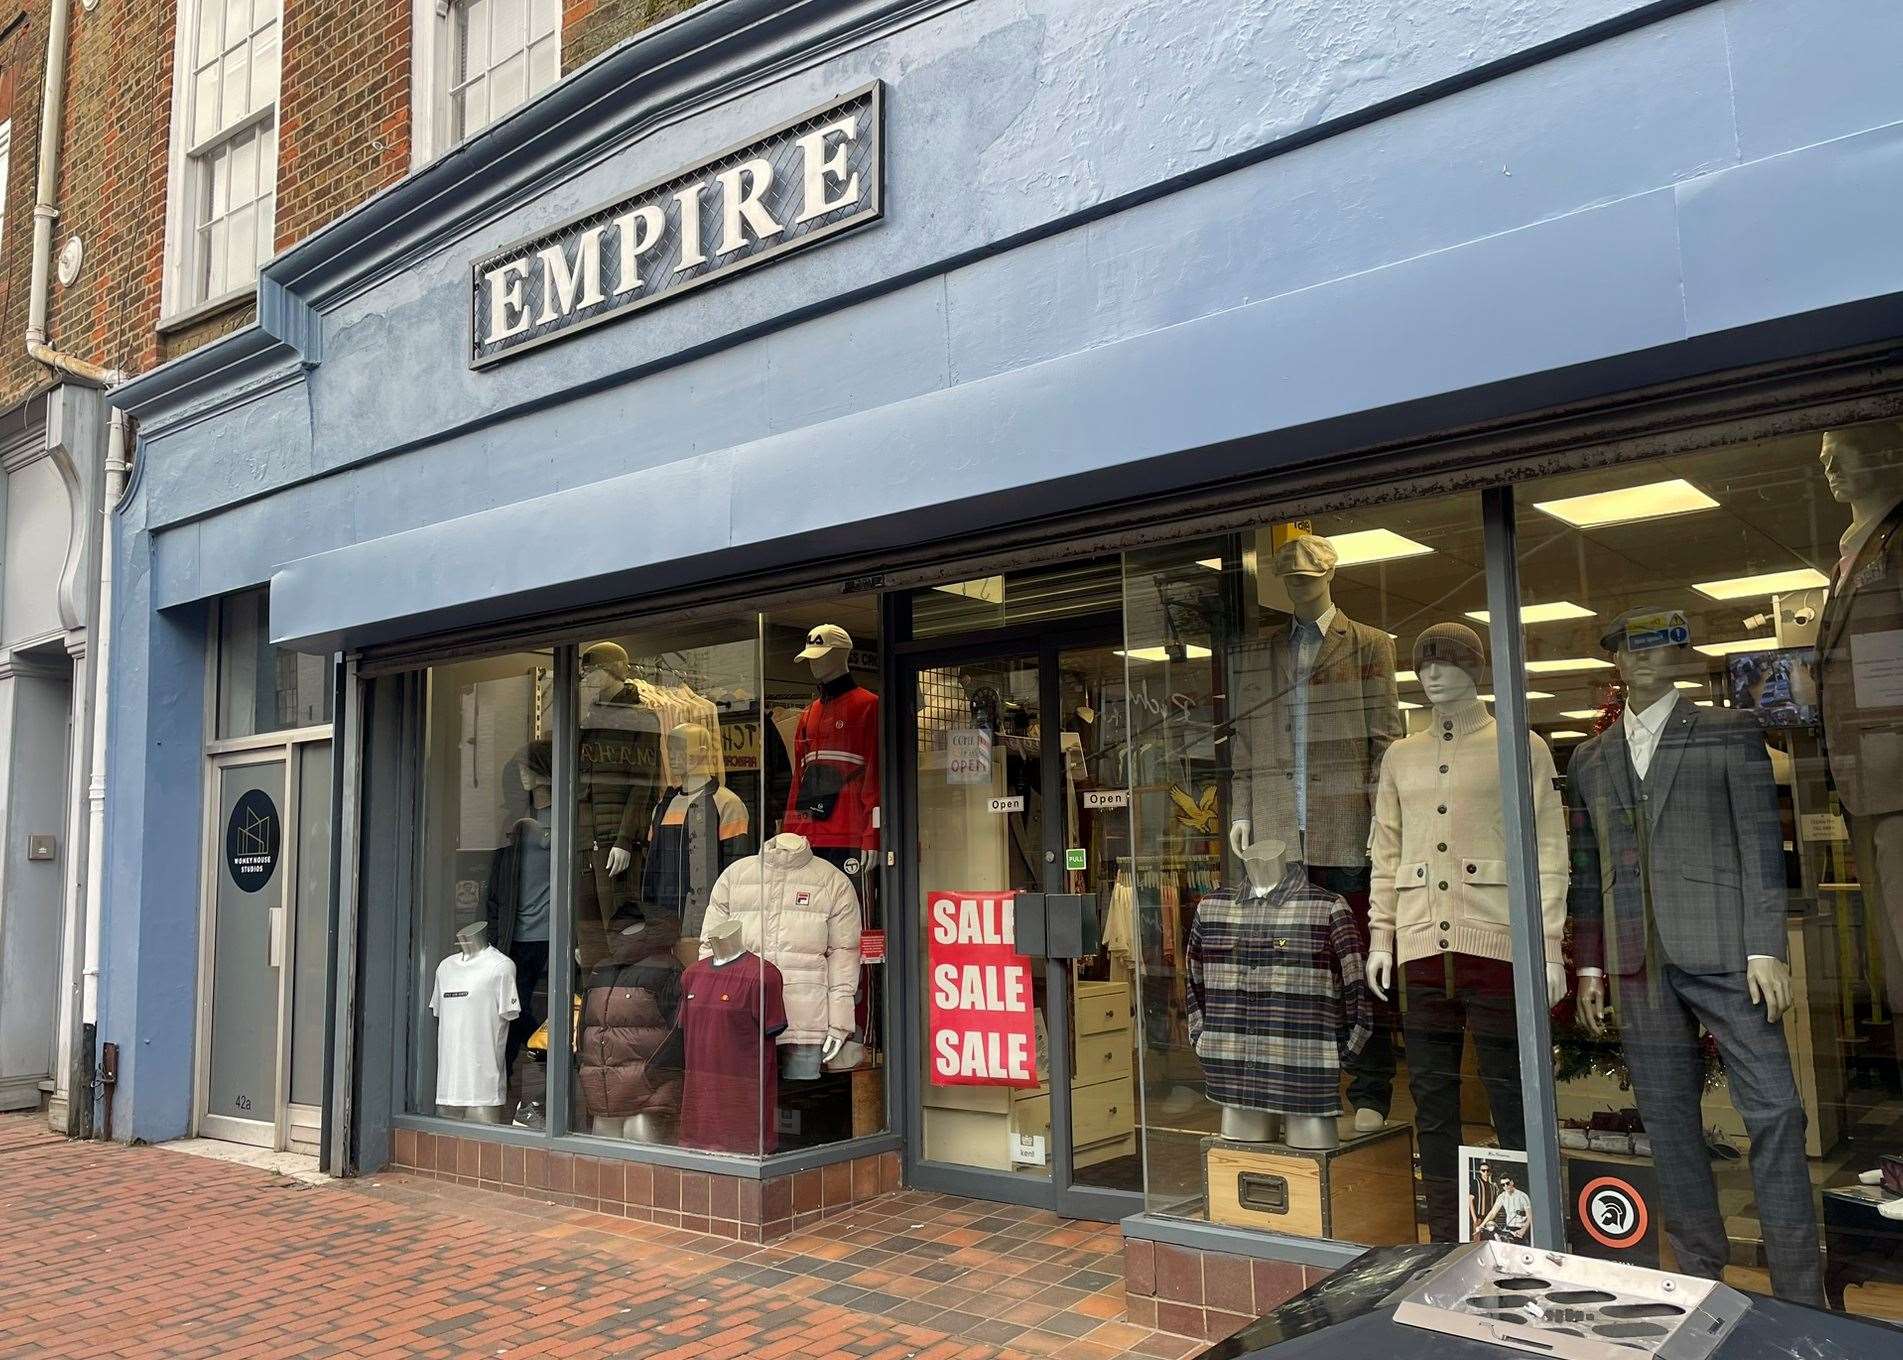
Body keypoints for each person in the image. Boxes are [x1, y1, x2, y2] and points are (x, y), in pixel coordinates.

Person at [1478, 1174, 1533, 1245]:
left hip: (1521, 1228)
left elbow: (1530, 1216)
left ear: (1512, 1182)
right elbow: (1492, 1213)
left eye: (1507, 1183)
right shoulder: (1502, 1196)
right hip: (1509, 1228)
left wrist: (1523, 1230)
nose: (1506, 1186)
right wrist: (1481, 1225)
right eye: (1503, 1185)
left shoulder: (1522, 1196)